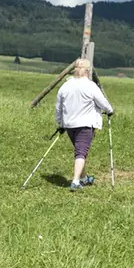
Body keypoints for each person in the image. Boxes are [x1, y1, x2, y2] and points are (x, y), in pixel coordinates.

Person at [55, 58, 114, 191]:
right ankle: (75, 181)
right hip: (85, 124)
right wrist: (110, 110)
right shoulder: (90, 86)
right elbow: (103, 102)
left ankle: (83, 178)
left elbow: (58, 107)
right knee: (81, 152)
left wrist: (60, 122)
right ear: (87, 72)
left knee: (79, 151)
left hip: (69, 124)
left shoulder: (65, 86)